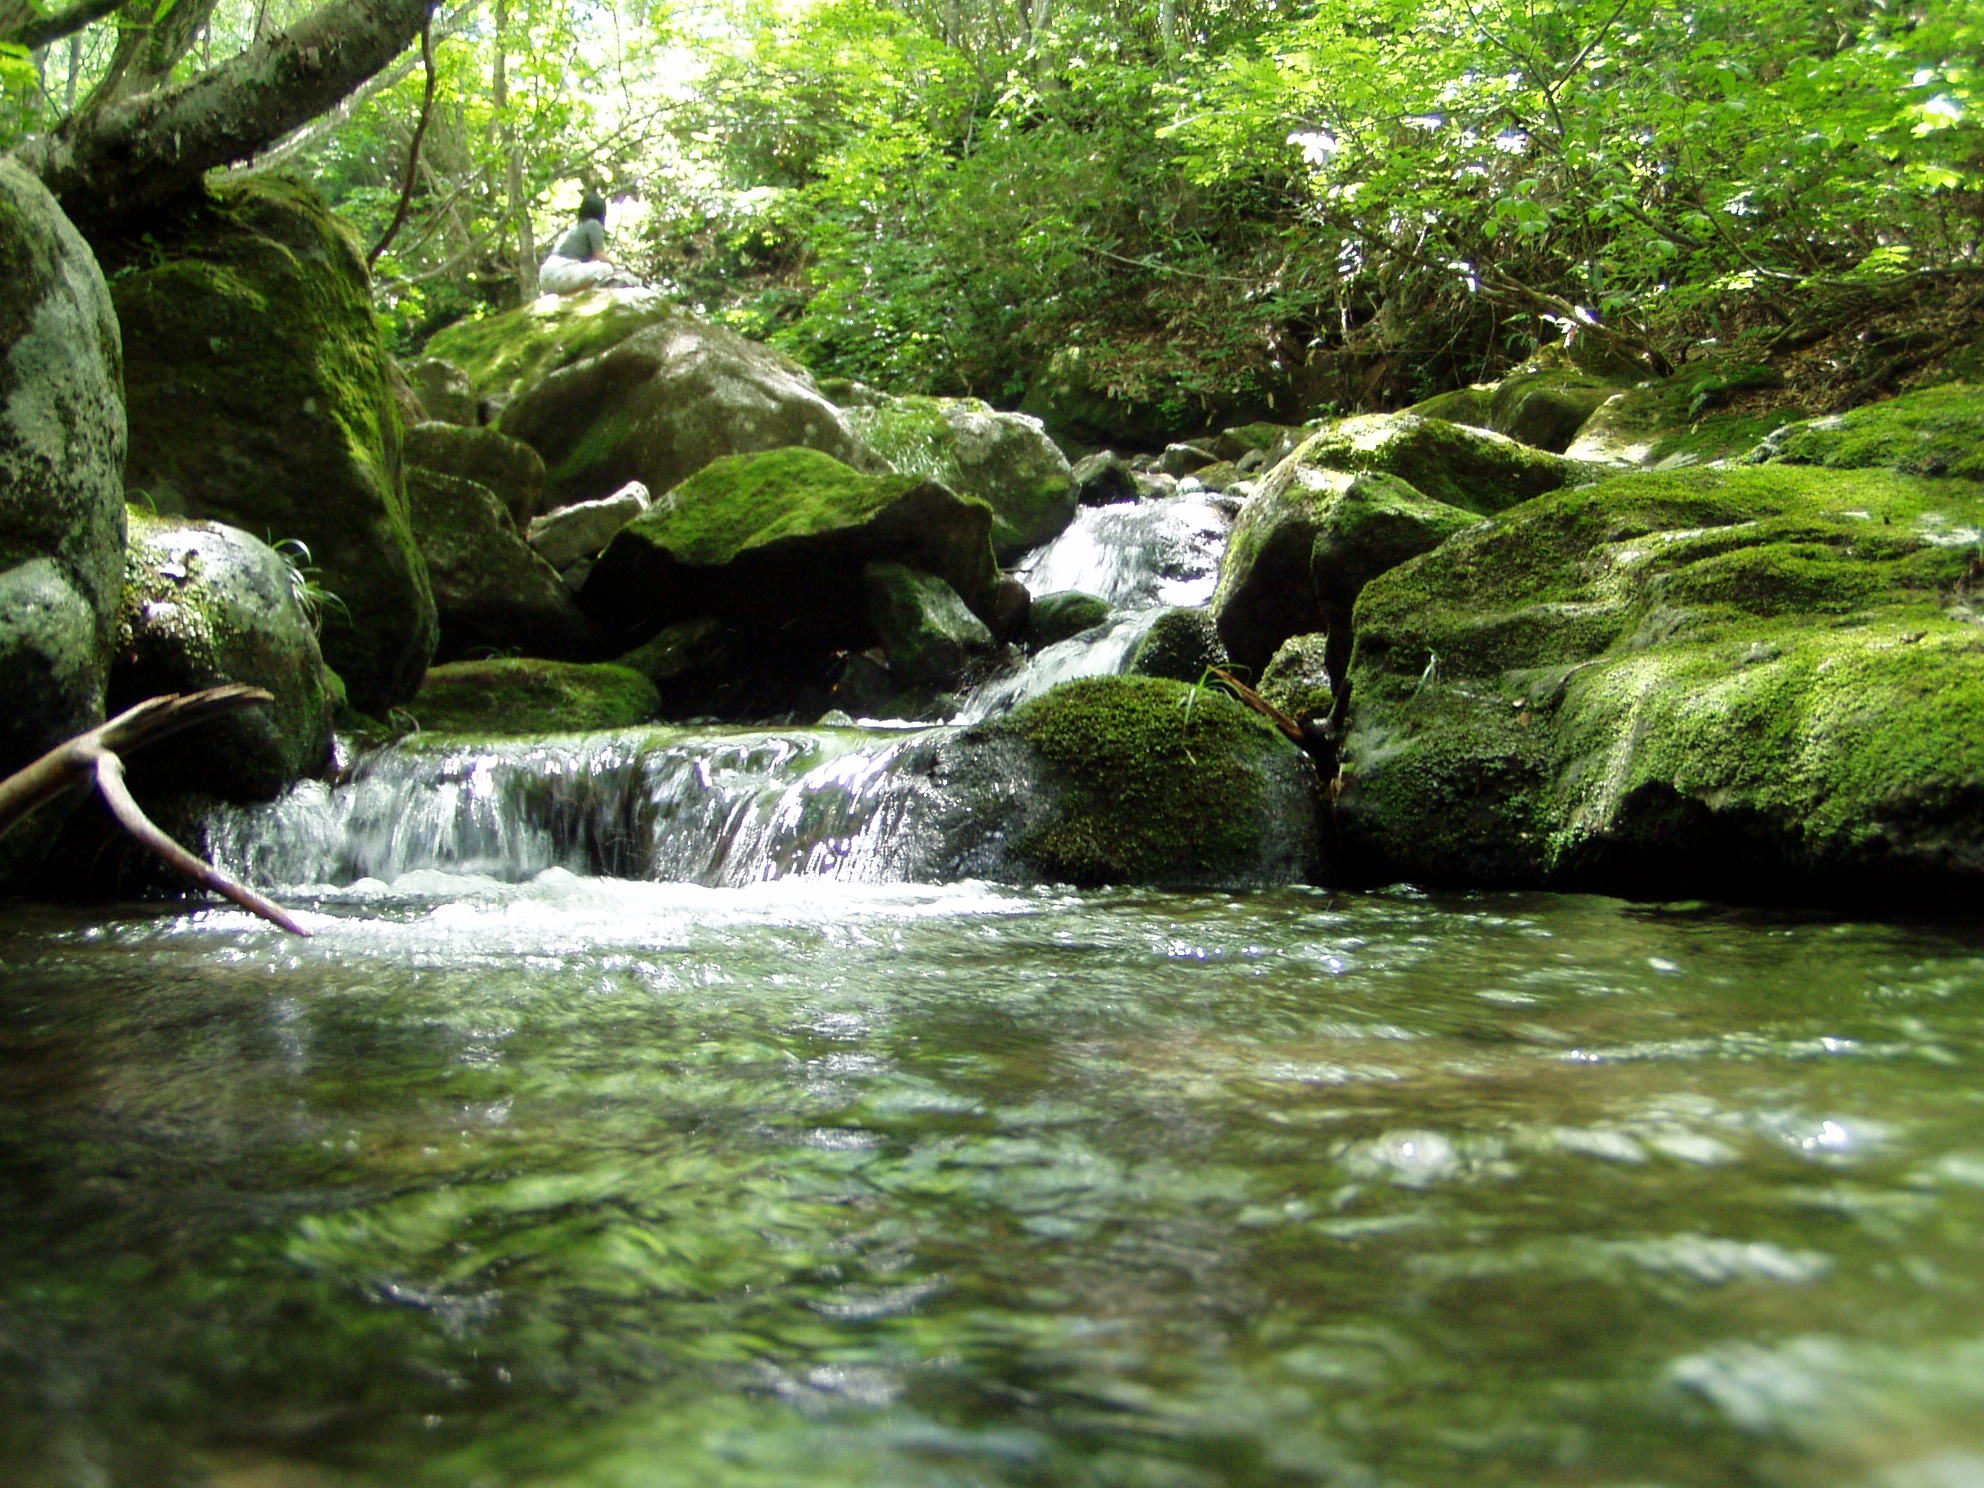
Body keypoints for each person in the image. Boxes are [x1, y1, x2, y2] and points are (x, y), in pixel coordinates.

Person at [539, 193, 643, 294]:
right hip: (561, 273)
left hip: (545, 277)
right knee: (606, 269)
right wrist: (621, 267)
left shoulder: (570, 232)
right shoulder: (593, 224)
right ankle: (580, 296)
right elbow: (600, 256)